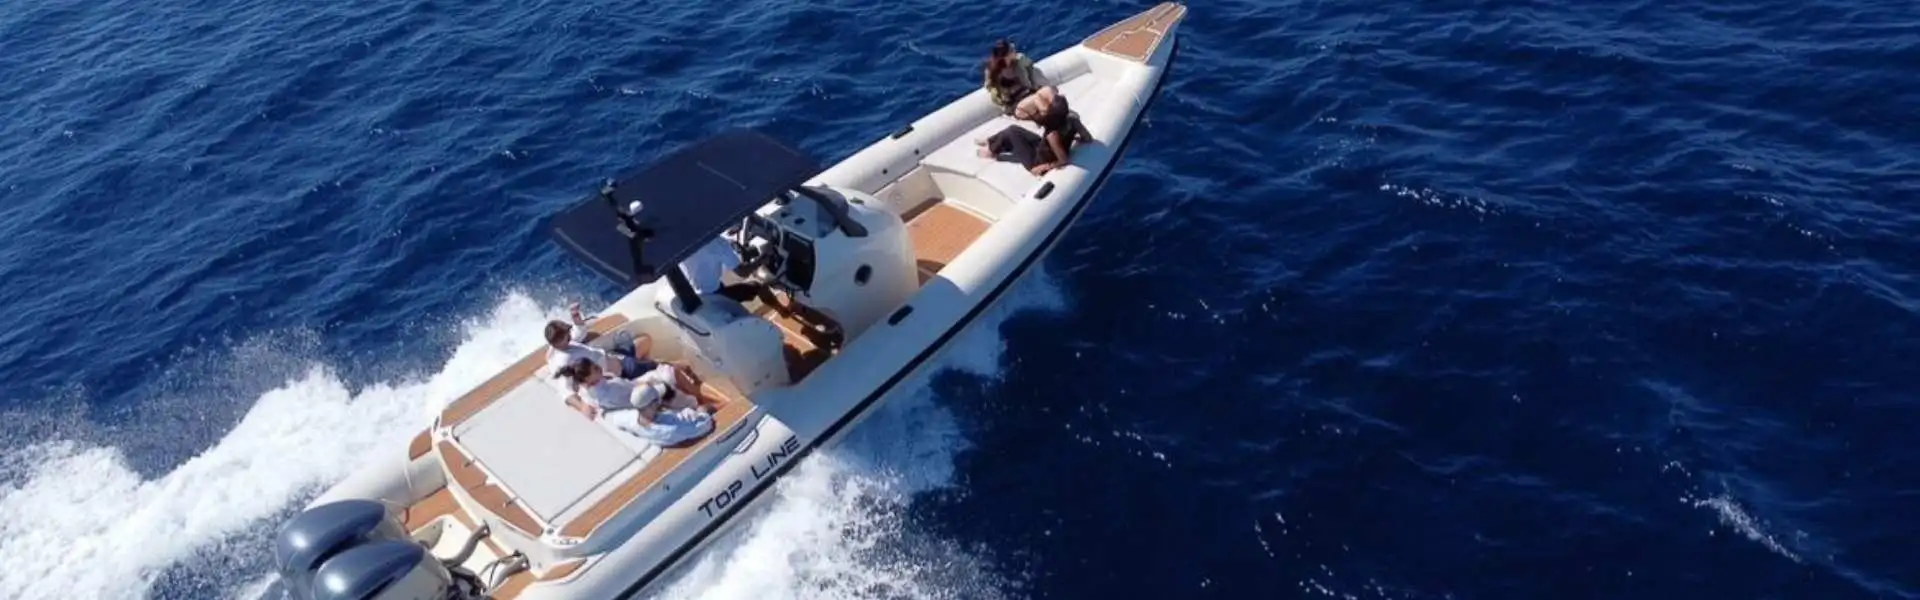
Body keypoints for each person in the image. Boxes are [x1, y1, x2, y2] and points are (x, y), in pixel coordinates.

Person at [559, 357, 716, 447]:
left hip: (636, 387)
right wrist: (655, 389)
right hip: (643, 398)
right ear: (586, 378)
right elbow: (635, 399)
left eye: (595, 365)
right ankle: (697, 402)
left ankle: (693, 395)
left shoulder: (588, 389)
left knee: (667, 369)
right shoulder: (606, 393)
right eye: (594, 369)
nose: (598, 367)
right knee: (671, 375)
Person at [976, 85, 1084, 176]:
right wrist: (1071, 138)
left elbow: (1063, 160)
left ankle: (991, 151)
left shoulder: (1053, 134)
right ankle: (991, 141)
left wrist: (1043, 167)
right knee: (1015, 130)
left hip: (1036, 161)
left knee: (1011, 131)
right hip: (1043, 148)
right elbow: (1087, 138)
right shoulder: (1073, 120)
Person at [543, 302, 652, 386]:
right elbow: (568, 387)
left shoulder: (565, 345)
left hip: (614, 356)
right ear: (559, 341)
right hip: (620, 371)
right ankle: (643, 371)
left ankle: (642, 367)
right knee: (656, 367)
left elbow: (579, 332)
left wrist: (576, 318)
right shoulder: (564, 361)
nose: (570, 336)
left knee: (645, 340)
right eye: (567, 335)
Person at [982, 39, 1042, 115]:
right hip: (1012, 100)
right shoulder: (993, 70)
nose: (1014, 50)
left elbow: (1029, 66)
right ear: (1005, 56)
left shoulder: (1019, 61)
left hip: (1026, 91)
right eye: (1011, 50)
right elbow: (990, 86)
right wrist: (1003, 99)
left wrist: (1033, 85)